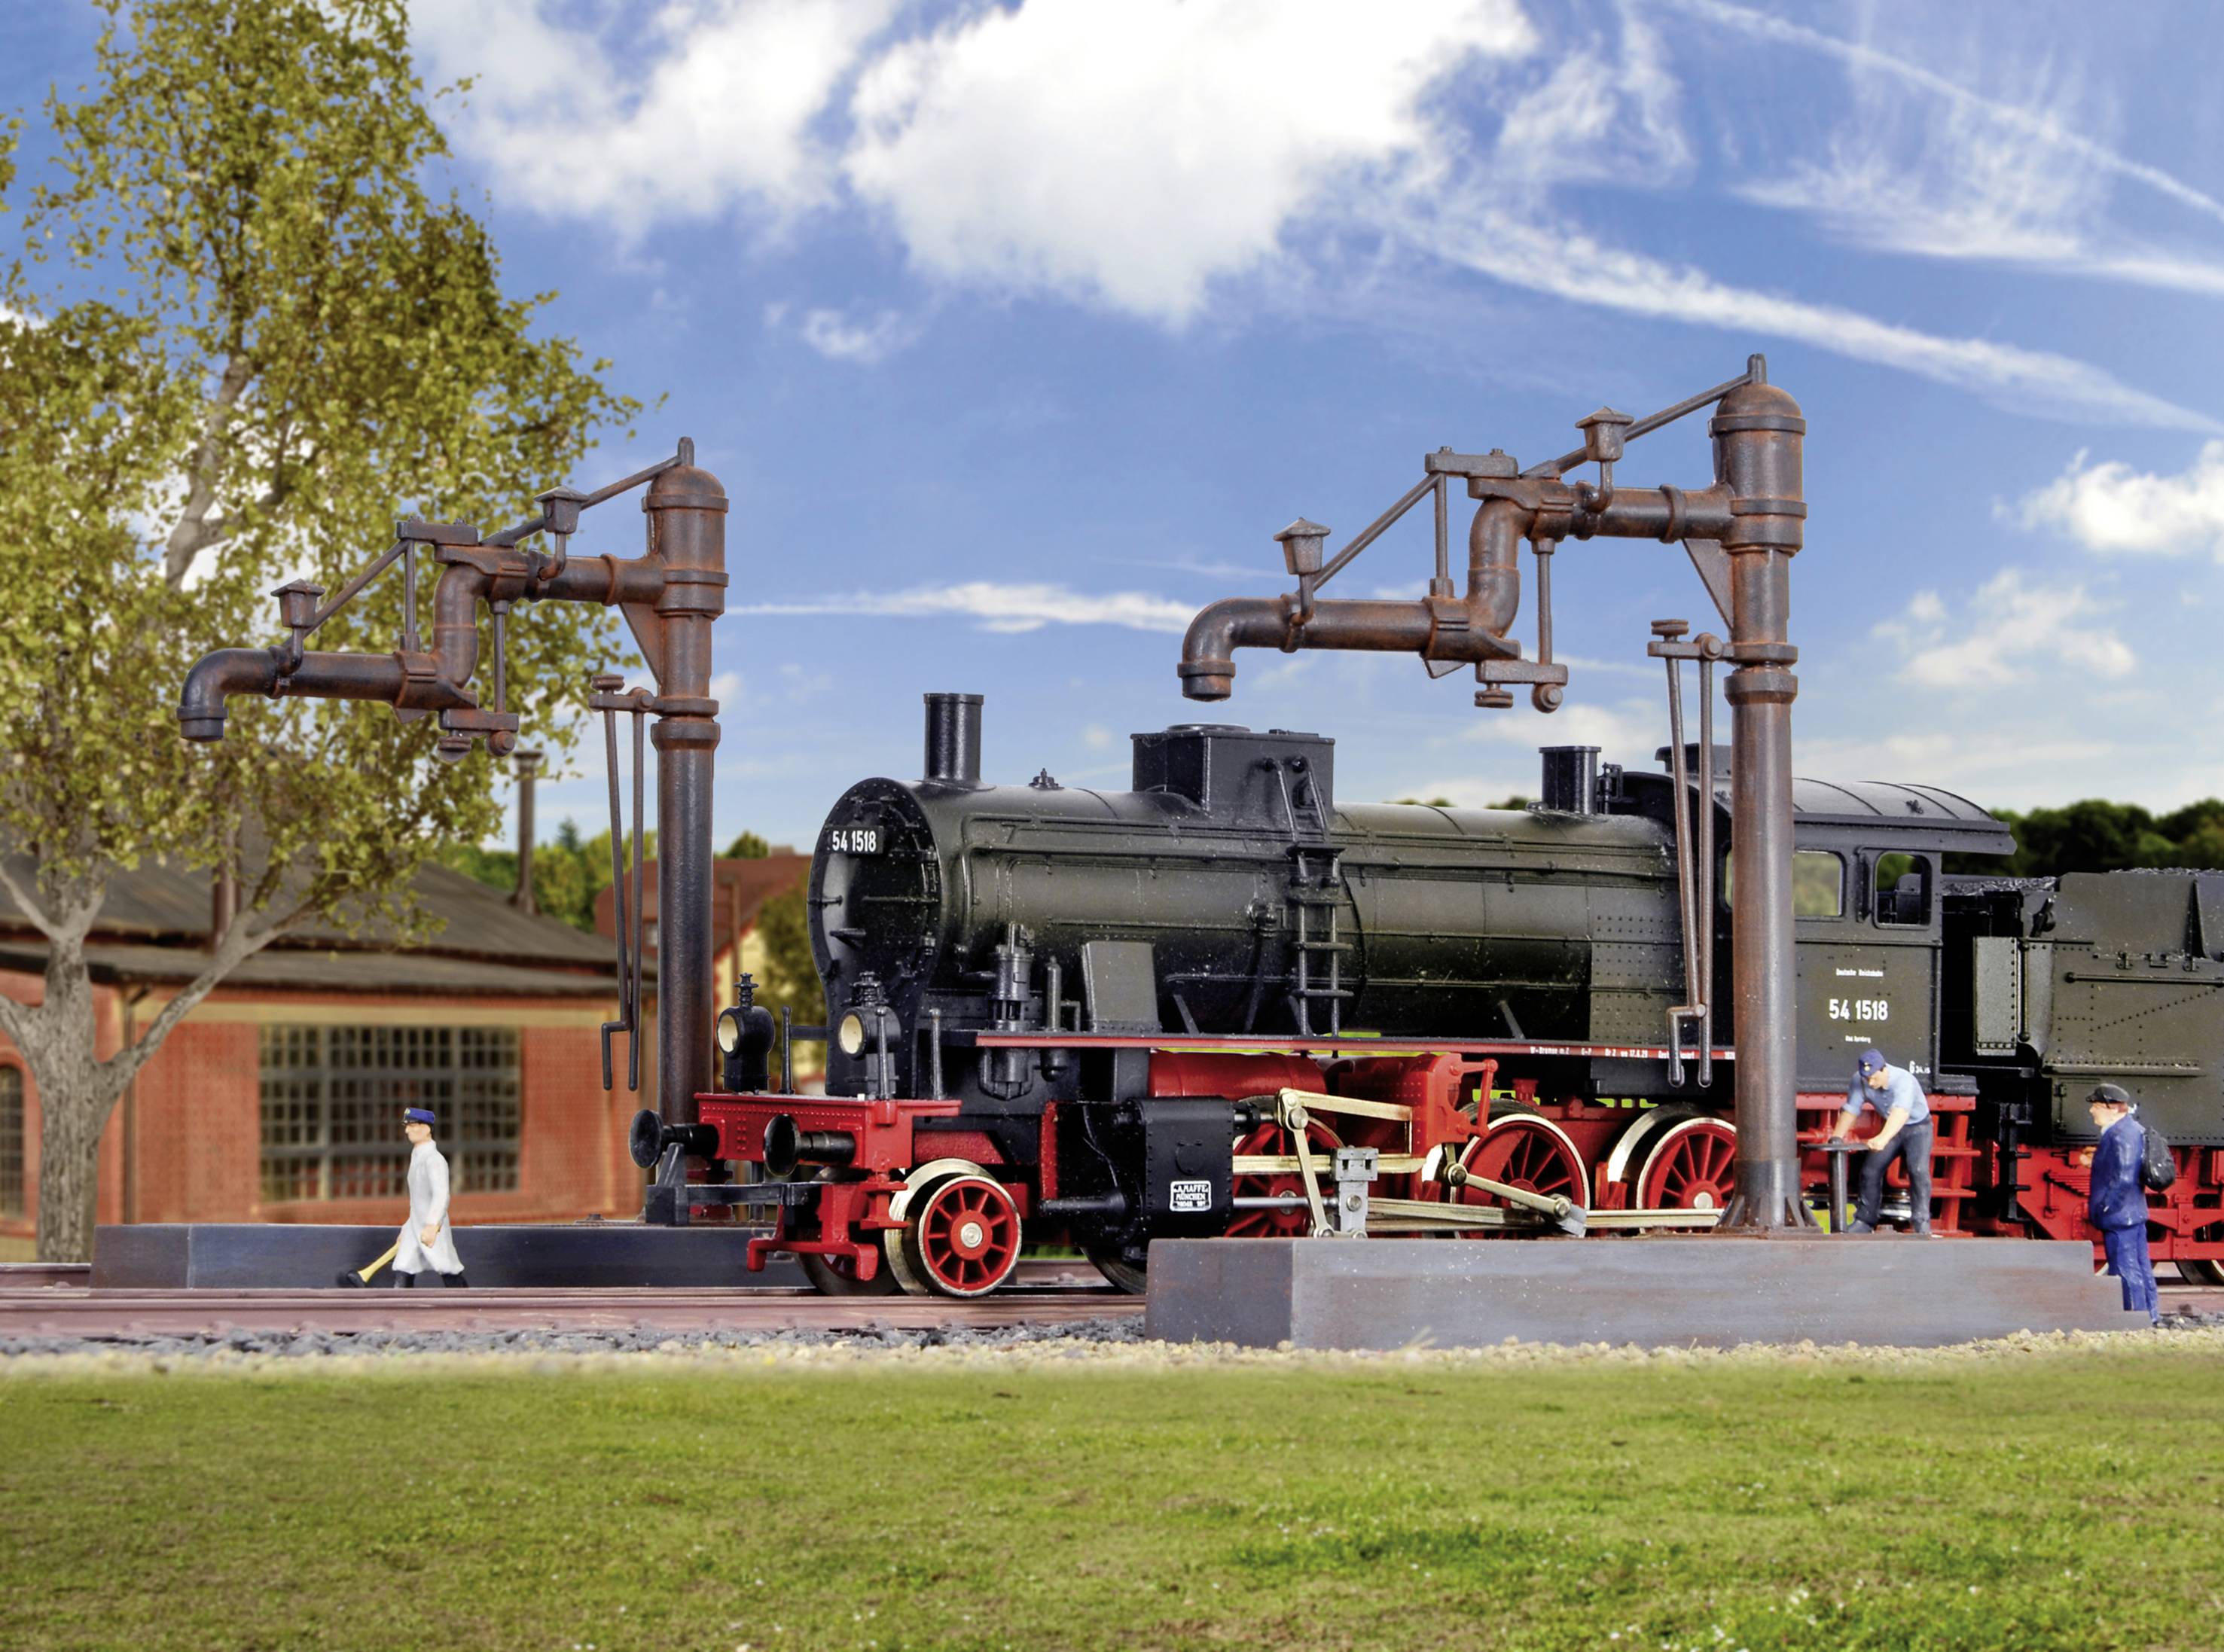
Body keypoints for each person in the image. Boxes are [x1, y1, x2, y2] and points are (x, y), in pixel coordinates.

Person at [1830, 1047, 1932, 1235]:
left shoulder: (1903, 1081)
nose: (1870, 1082)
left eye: (1874, 1077)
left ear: (1884, 1070)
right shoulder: (1860, 1081)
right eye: (1867, 1078)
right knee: (1870, 1171)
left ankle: (1921, 1222)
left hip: (1918, 1129)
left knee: (1918, 1170)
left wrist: (1882, 1138)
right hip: (1891, 1129)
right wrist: (1837, 1137)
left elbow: (1900, 1113)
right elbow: (1851, 1109)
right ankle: (1865, 1221)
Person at [2083, 1083, 2158, 1324]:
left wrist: (2106, 1206)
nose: (2092, 1111)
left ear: (2113, 1108)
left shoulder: (2121, 1134)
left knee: (2125, 1269)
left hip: (2120, 1215)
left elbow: (2124, 1177)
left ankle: (2133, 1319)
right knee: (2141, 1268)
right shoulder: (2128, 1129)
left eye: (2096, 1106)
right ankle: (2150, 1315)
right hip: (2131, 1212)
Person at [392, 1105, 468, 1288]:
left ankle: (466, 1302)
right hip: (416, 1224)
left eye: (412, 1125)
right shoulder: (417, 1157)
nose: (407, 1130)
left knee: (447, 1266)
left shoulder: (434, 1160)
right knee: (404, 1265)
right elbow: (417, 1201)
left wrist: (432, 1225)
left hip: (432, 1226)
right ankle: (399, 1306)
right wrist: (406, 1227)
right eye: (406, 1126)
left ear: (426, 1129)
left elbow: (441, 1195)